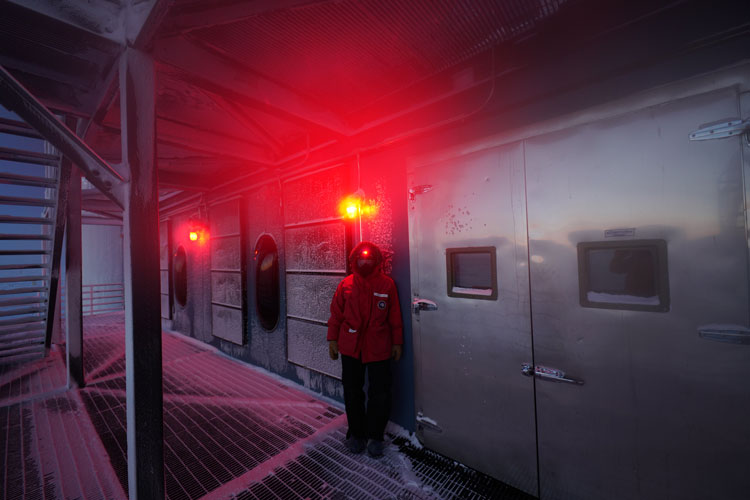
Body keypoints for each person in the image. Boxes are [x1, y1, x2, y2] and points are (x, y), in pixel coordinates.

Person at [327, 241, 403, 457]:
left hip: (379, 347)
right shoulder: (345, 285)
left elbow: (395, 317)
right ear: (354, 261)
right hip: (351, 348)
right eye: (362, 258)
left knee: (380, 393)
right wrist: (332, 340)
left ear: (377, 261)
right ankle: (356, 434)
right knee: (353, 392)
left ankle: (375, 436)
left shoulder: (387, 285)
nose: (365, 262)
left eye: (370, 258)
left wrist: (397, 343)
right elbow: (336, 315)